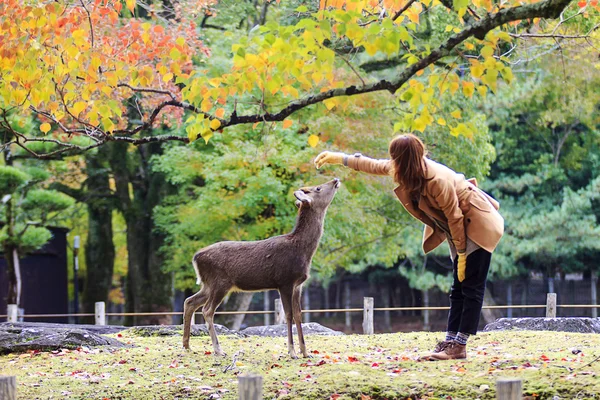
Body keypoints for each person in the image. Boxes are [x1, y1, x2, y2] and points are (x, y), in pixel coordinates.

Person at [314, 134, 504, 360]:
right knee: (458, 287)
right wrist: (339, 158)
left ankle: (459, 346)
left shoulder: (437, 181)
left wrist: (462, 253)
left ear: (404, 158)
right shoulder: (405, 169)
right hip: (459, 227)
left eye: (395, 156)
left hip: (477, 224)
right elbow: (373, 165)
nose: (391, 160)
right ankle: (450, 341)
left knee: (470, 286)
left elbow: (455, 217)